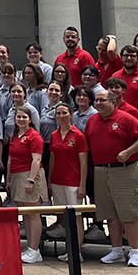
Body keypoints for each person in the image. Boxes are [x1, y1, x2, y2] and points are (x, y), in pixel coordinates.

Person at [87, 92, 138, 267]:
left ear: (113, 102)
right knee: (110, 213)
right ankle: (116, 250)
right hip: (102, 171)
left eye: (103, 100)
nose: (99, 103)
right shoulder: (92, 120)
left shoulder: (125, 118)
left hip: (126, 171)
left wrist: (128, 151)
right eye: (97, 100)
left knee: (129, 213)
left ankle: (135, 251)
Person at [47, 102, 89, 261]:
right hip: (58, 180)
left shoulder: (78, 135)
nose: (61, 116)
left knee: (76, 216)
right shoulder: (54, 135)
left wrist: (82, 185)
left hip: (73, 181)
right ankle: (68, 248)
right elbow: (52, 159)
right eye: (58, 113)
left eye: (64, 113)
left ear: (71, 114)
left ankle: (76, 251)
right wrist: (50, 181)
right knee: (64, 216)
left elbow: (83, 162)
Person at [9, 107, 47, 263]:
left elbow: (36, 160)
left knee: (33, 213)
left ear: (30, 119)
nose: (21, 119)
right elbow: (10, 158)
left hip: (29, 175)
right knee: (25, 213)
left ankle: (35, 249)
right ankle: (30, 247)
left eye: (24, 117)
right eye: (18, 116)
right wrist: (9, 179)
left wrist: (30, 180)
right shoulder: (15, 135)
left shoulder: (34, 136)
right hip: (17, 175)